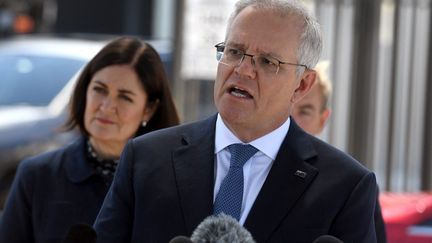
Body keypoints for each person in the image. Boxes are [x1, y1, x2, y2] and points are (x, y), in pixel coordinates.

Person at [94, 1, 378, 242]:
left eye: (267, 62)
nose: (243, 70)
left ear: (302, 85)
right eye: (234, 52)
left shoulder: (345, 187)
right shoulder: (145, 160)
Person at [0, 36, 180, 243]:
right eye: (99, 90)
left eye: (124, 97)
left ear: (149, 109)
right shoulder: (36, 176)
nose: (106, 106)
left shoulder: (169, 185)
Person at [292, 61, 388, 243]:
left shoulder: (353, 186)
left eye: (305, 111)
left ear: (323, 120)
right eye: (286, 109)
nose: (292, 120)